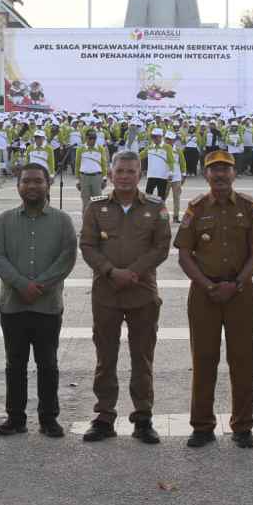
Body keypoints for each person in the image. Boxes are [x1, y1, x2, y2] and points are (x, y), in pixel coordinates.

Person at [175, 150, 253, 448]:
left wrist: (238, 283)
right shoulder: (196, 208)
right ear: (206, 176)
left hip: (240, 292)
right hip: (204, 294)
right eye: (214, 171)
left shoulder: (249, 206)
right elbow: (184, 255)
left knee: (242, 359)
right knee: (203, 359)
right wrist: (207, 285)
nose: (220, 175)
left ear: (234, 174)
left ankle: (242, 426)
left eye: (225, 170)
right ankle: (202, 426)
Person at [78, 151, 171, 444]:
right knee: (105, 357)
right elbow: (87, 246)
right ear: (110, 173)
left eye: (131, 171)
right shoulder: (96, 208)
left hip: (142, 292)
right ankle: (104, 416)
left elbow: (161, 247)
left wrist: (132, 272)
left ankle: (143, 417)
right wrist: (110, 272)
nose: (125, 176)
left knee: (142, 357)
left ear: (140, 174)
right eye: (120, 171)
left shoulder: (156, 207)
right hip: (106, 293)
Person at [0, 162, 77, 438]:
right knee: (14, 364)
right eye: (26, 181)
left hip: (47, 305)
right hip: (13, 305)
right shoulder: (5, 220)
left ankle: (48, 418)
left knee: (47, 364)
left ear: (47, 184)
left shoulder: (62, 220)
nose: (31, 186)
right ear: (18, 186)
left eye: (37, 181)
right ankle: (15, 418)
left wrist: (39, 286)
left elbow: (67, 257)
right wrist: (20, 284)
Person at [75, 129, 108, 214]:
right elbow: (77, 165)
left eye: (94, 138)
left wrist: (104, 179)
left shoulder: (100, 148)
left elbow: (104, 164)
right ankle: (86, 224)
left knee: (98, 202)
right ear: (86, 138)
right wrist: (78, 180)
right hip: (84, 177)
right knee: (86, 202)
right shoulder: (80, 149)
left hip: (97, 178)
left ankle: (97, 224)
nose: (92, 140)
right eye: (90, 138)